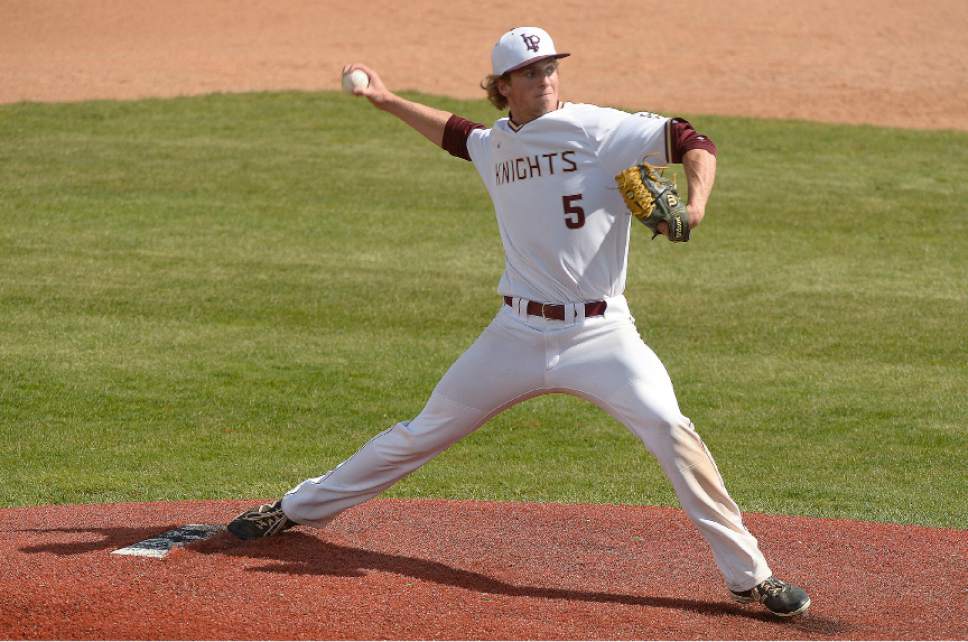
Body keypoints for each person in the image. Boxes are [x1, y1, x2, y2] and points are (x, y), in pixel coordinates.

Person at [227, 26, 811, 618]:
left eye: (551, 67)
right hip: (515, 335)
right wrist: (387, 100)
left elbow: (692, 138)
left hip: (602, 335)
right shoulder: (495, 143)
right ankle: (294, 509)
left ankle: (751, 577)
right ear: (503, 86)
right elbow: (457, 134)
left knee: (672, 431)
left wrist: (695, 205)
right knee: (420, 433)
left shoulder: (599, 129)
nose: (546, 79)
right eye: (531, 72)